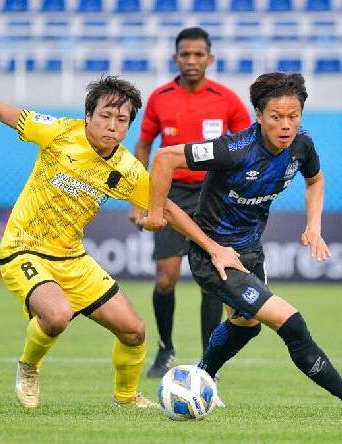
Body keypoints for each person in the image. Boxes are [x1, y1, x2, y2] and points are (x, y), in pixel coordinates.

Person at [0, 56, 246, 409]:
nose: (112, 126)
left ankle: (127, 399)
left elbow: (165, 207)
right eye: (105, 115)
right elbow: (2, 111)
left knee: (134, 331)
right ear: (88, 115)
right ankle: (28, 367)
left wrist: (212, 248)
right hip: (23, 247)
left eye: (122, 120)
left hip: (72, 257)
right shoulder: (58, 132)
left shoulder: (127, 168)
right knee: (56, 316)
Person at [141, 72, 342, 410]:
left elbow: (314, 180)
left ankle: (200, 377)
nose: (286, 125)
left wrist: (314, 225)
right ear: (258, 115)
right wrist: (155, 213)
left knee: (246, 327)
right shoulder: (233, 149)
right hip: (214, 257)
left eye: (293, 116)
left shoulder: (302, 144)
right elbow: (165, 157)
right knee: (290, 320)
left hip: (250, 251)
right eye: (276, 117)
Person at [129, 27, 252, 378]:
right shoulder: (159, 97)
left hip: (213, 196)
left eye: (199, 54)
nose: (192, 60)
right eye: (186, 54)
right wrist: (137, 200)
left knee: (213, 277)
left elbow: (246, 145)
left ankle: (206, 363)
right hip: (170, 194)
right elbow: (143, 146)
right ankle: (165, 348)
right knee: (166, 278)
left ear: (210, 58)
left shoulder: (227, 99)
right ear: (175, 58)